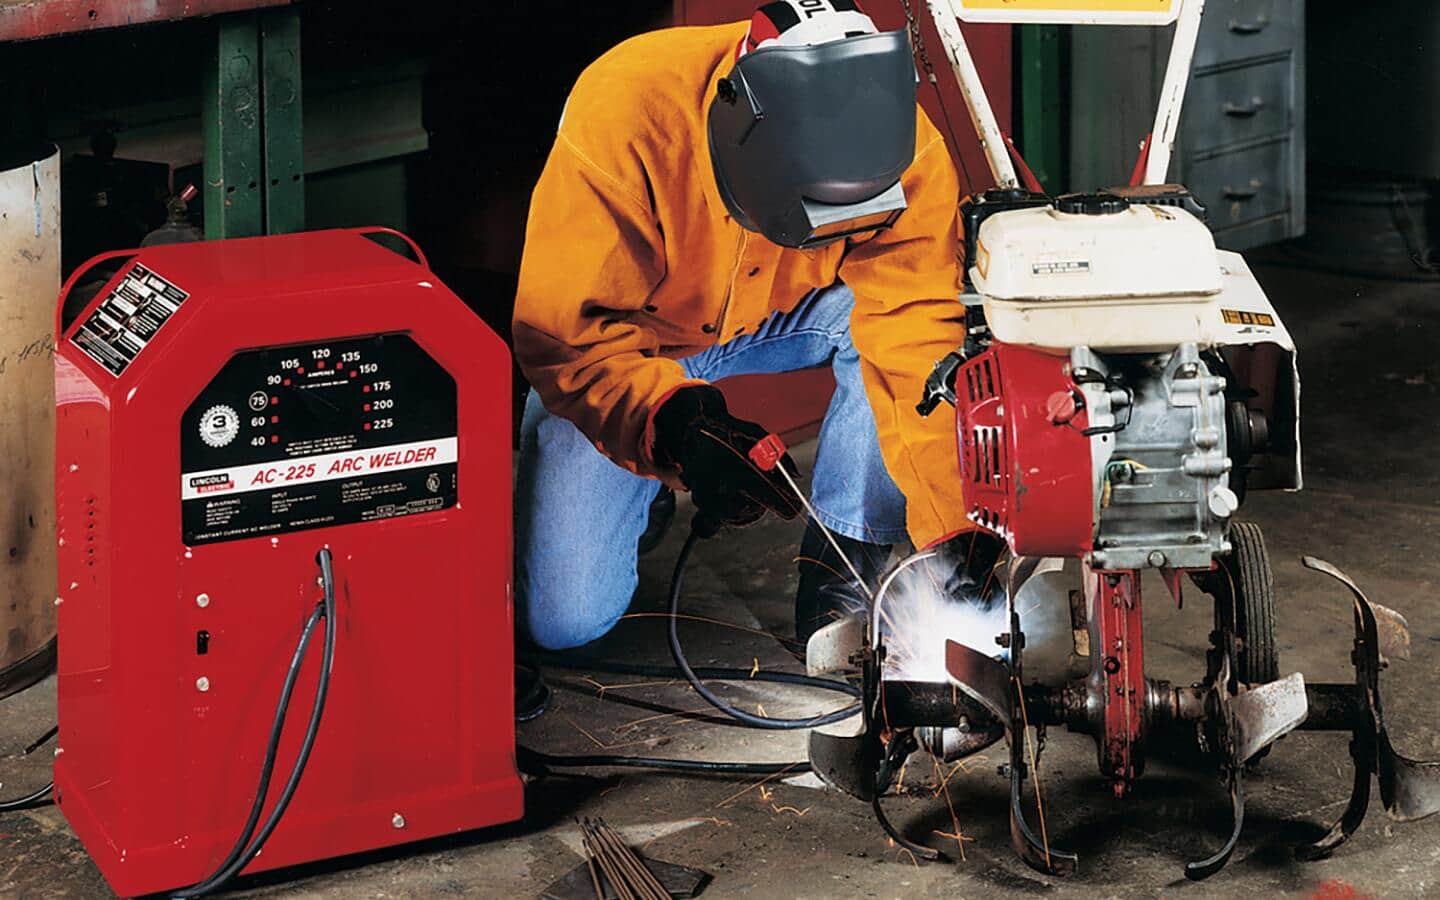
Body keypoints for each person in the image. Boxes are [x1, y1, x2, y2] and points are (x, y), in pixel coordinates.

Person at [512, 0, 1001, 657]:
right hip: (635, 343)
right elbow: (566, 333)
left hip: (783, 315)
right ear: (743, 135)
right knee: (565, 620)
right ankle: (647, 469)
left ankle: (845, 553)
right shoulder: (624, 108)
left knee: (893, 329)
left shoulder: (900, 145)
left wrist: (954, 526)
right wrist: (675, 424)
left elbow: (914, 336)